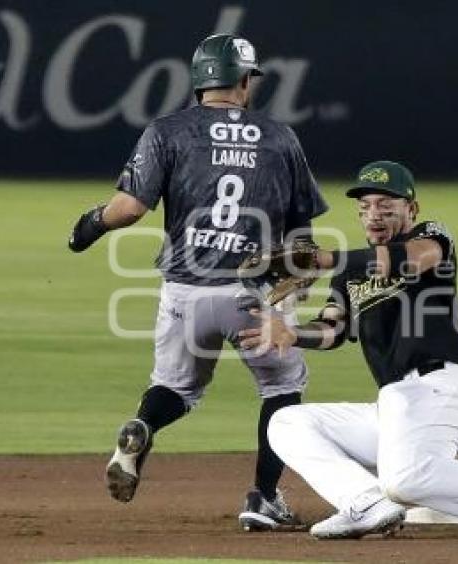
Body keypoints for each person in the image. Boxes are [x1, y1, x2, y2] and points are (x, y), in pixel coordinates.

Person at [238, 160, 458, 539]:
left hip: (446, 388)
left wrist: (323, 258)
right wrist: (292, 334)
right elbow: (334, 329)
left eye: (386, 206)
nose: (374, 215)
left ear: (411, 209)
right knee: (288, 423)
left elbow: (414, 258)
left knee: (405, 480)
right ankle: (366, 502)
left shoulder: (432, 235)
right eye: (365, 207)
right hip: (397, 404)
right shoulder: (349, 272)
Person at [66, 33, 327, 531]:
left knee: (174, 387)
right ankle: (264, 497)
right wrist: (300, 279)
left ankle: (144, 426)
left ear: (200, 80)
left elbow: (129, 210)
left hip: (185, 292)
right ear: (245, 80)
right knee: (282, 390)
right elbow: (301, 238)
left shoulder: (168, 131)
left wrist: (89, 225)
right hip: (253, 294)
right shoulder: (279, 136)